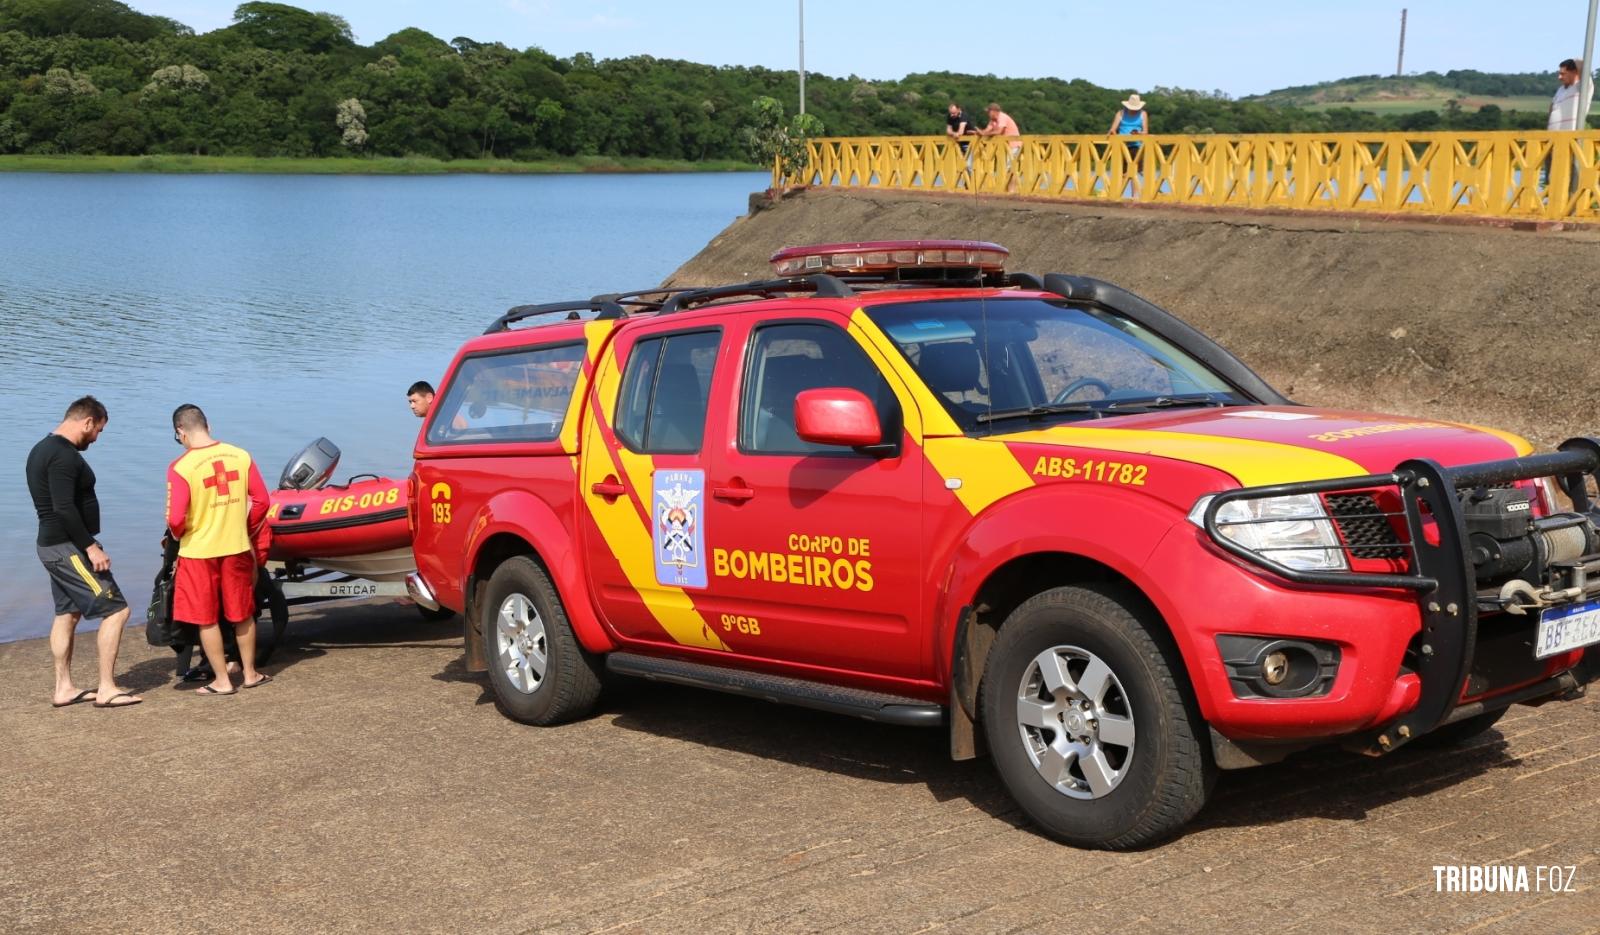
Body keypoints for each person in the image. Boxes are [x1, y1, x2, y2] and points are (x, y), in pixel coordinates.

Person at [27, 396, 142, 708]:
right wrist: (91, 547)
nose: (96, 437)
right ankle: (107, 689)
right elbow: (63, 508)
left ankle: (63, 688)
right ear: (87, 421)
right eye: (98, 431)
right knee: (117, 610)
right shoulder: (63, 456)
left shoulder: (42, 448)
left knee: (67, 613)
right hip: (68, 548)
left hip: (52, 546)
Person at [166, 404, 272, 695]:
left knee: (206, 617)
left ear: (180, 432)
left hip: (198, 551)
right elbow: (262, 501)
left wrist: (178, 534)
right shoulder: (240, 455)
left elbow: (176, 519)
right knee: (242, 613)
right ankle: (250, 674)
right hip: (236, 546)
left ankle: (222, 681)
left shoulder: (180, 467)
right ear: (208, 425)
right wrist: (243, 527)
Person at [978, 102, 1023, 191]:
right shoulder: (993, 120)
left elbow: (999, 131)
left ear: (994, 111)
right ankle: (1007, 189)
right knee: (1006, 167)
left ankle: (1011, 189)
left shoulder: (1002, 117)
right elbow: (987, 130)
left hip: (1014, 144)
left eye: (989, 112)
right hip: (1005, 146)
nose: (987, 114)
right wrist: (979, 133)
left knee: (1010, 167)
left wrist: (984, 133)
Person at [1109, 93, 1150, 166]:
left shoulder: (1143, 114)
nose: (1134, 110)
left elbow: (1145, 132)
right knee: (1121, 170)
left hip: (1136, 145)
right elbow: (1112, 129)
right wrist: (1117, 139)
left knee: (1135, 169)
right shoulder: (1121, 113)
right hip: (1122, 144)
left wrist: (1138, 133)